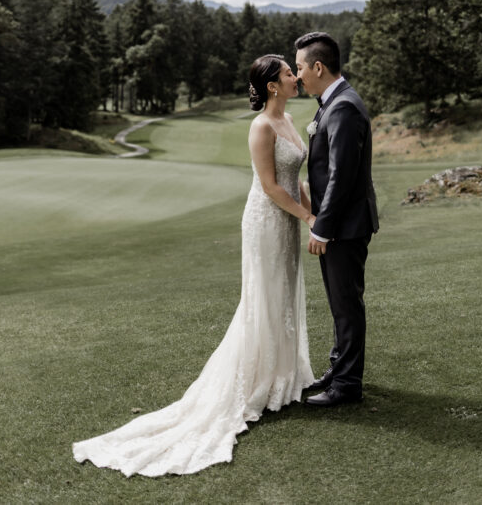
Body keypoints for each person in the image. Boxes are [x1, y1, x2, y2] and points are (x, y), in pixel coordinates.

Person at [72, 54, 315, 477]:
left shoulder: (291, 121)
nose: (296, 77)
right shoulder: (261, 127)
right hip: (266, 222)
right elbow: (271, 186)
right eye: (289, 74)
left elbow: (297, 180)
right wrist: (308, 218)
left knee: (284, 290)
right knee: (264, 295)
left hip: (288, 220)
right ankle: (259, 381)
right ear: (273, 86)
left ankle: (283, 374)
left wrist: (316, 213)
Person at [294, 31, 379, 408]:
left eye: (299, 67)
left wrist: (322, 227)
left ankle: (347, 385)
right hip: (342, 224)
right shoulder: (331, 101)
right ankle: (338, 368)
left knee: (346, 305)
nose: (297, 76)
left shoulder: (342, 106)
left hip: (344, 226)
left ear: (318, 66)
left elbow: (341, 177)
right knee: (340, 303)